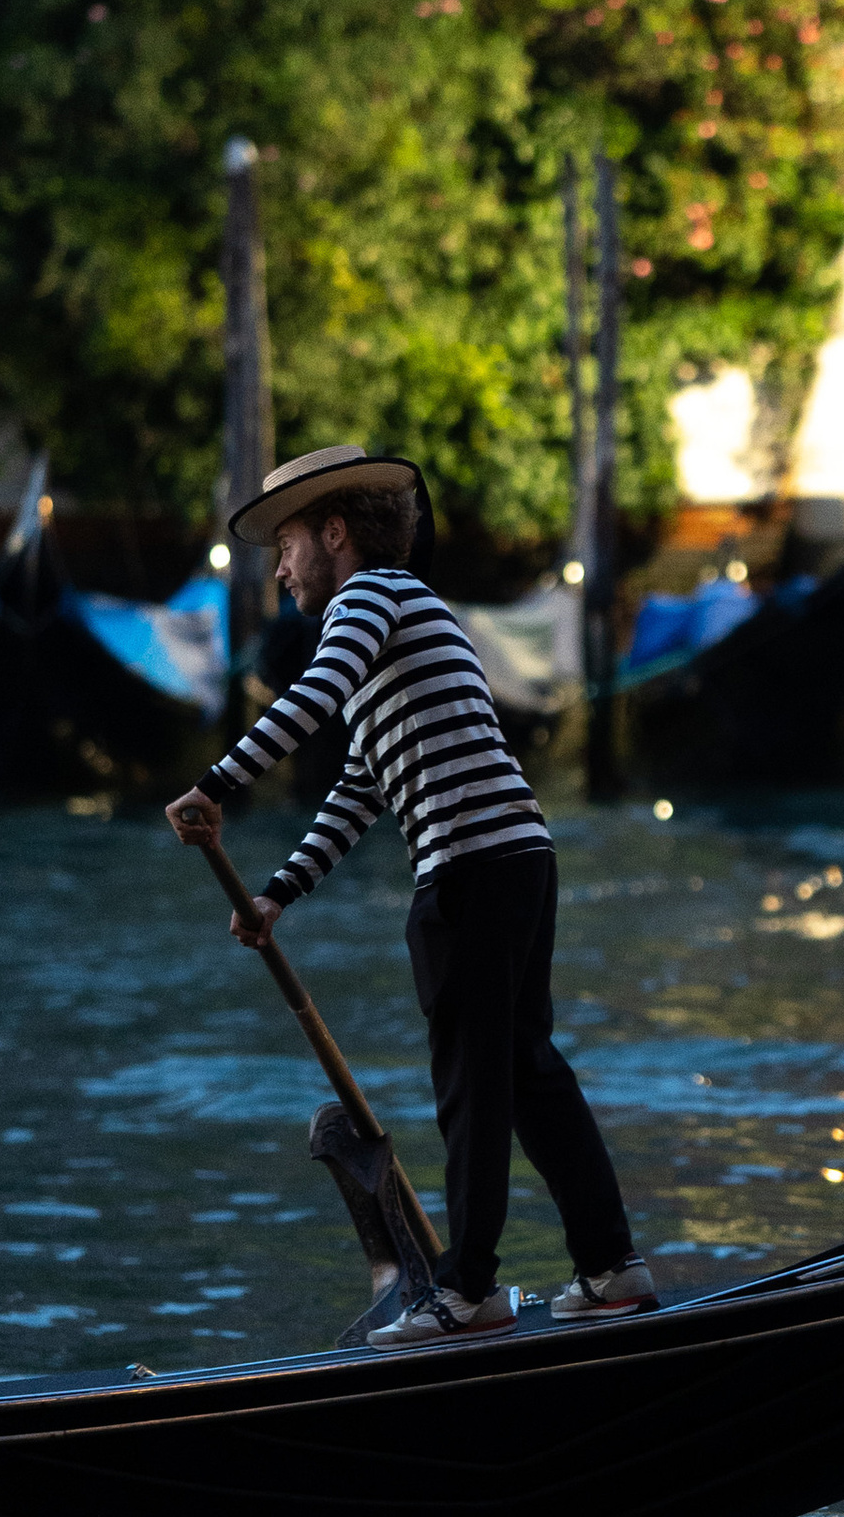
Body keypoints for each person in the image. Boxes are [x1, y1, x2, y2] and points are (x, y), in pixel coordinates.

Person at [165, 442, 655, 1348]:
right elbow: (357, 789)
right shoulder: (407, 613)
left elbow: (314, 691)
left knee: (475, 1085)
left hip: (471, 868)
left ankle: (469, 1291)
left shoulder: (367, 600)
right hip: (517, 859)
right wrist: (277, 894)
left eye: (289, 544)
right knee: (527, 1073)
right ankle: (611, 1267)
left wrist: (217, 784)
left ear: (337, 533)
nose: (279, 567)